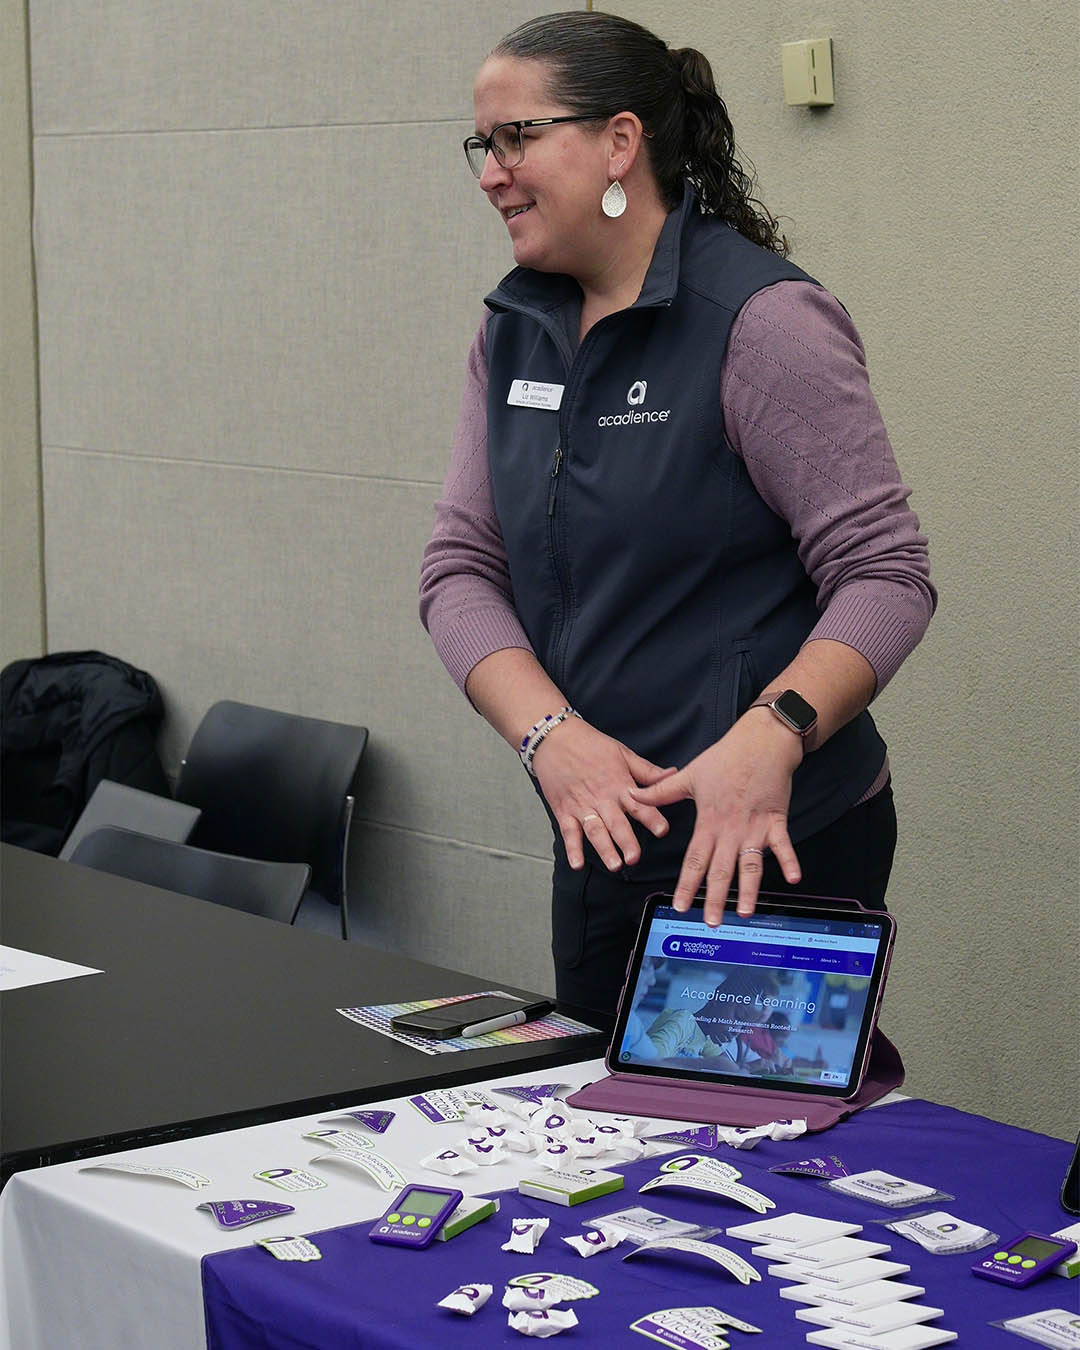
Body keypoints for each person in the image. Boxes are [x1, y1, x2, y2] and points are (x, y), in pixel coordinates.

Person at [419, 11, 936, 1016]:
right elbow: (459, 572)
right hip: (601, 839)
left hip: (764, 840)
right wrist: (549, 737)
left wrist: (775, 731)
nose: (492, 173)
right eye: (484, 146)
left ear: (620, 142)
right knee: (602, 1109)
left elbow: (887, 576)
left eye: (517, 137)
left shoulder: (762, 322)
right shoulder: (516, 328)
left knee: (745, 1111)